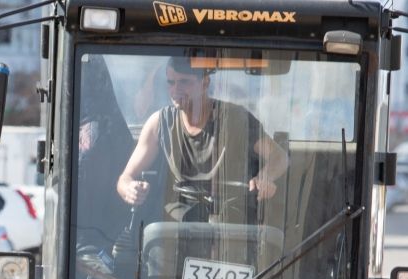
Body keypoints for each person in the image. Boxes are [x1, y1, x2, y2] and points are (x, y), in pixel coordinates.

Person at [116, 57, 288, 224]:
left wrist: (265, 177)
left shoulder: (235, 118)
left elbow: (279, 156)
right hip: (177, 225)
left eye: (184, 82)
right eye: (171, 82)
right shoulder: (160, 123)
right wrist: (130, 189)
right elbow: (125, 178)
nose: (176, 89)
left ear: (205, 83)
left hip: (231, 221)